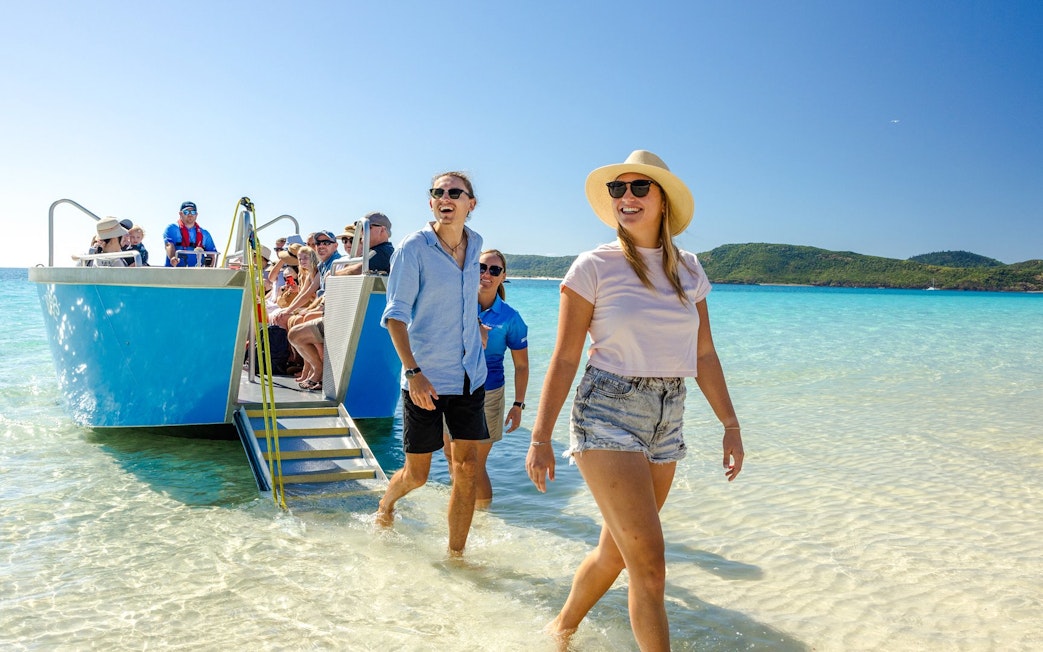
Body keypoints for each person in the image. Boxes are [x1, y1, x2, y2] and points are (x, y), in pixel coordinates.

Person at [525, 150, 745, 650]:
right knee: (651, 566)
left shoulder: (690, 270)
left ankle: (559, 631)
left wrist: (731, 425)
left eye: (639, 188)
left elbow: (704, 354)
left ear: (663, 200)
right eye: (617, 189)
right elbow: (563, 359)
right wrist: (540, 437)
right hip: (606, 410)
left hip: (669, 412)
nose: (626, 197)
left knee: (618, 552)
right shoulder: (592, 267)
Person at [376, 171, 488, 556]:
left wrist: (475, 326)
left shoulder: (476, 246)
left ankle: (456, 554)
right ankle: (386, 504)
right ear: (431, 203)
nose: (445, 197)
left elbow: (462, 299)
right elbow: (395, 317)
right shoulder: (413, 248)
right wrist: (413, 373)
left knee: (468, 467)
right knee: (418, 475)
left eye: (454, 192)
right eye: (438, 192)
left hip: (470, 375)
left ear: (470, 203)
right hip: (425, 380)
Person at [443, 249, 528, 509]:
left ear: (503, 276)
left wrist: (518, 405)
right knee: (451, 456)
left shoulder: (510, 318)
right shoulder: (455, 305)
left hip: (488, 393)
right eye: (481, 267)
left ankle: (483, 521)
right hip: (451, 388)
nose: (486, 274)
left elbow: (522, 365)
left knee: (475, 464)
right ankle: (459, 509)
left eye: (494, 270)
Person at [285, 231, 340, 390]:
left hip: (334, 316)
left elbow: (317, 295)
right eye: (318, 244)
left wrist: (308, 310)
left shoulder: (337, 263)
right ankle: (314, 369)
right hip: (325, 311)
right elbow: (318, 296)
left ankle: (317, 372)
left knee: (300, 322)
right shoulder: (323, 265)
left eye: (326, 243)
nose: (321, 246)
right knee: (295, 327)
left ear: (335, 246)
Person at [164, 201, 218, 267]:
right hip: (175, 272)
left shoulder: (205, 233)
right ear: (180, 214)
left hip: (197, 273)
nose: (190, 214)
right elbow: (169, 245)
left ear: (196, 215)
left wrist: (208, 270)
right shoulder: (172, 228)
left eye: (193, 212)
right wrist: (173, 258)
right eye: (186, 212)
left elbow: (211, 254)